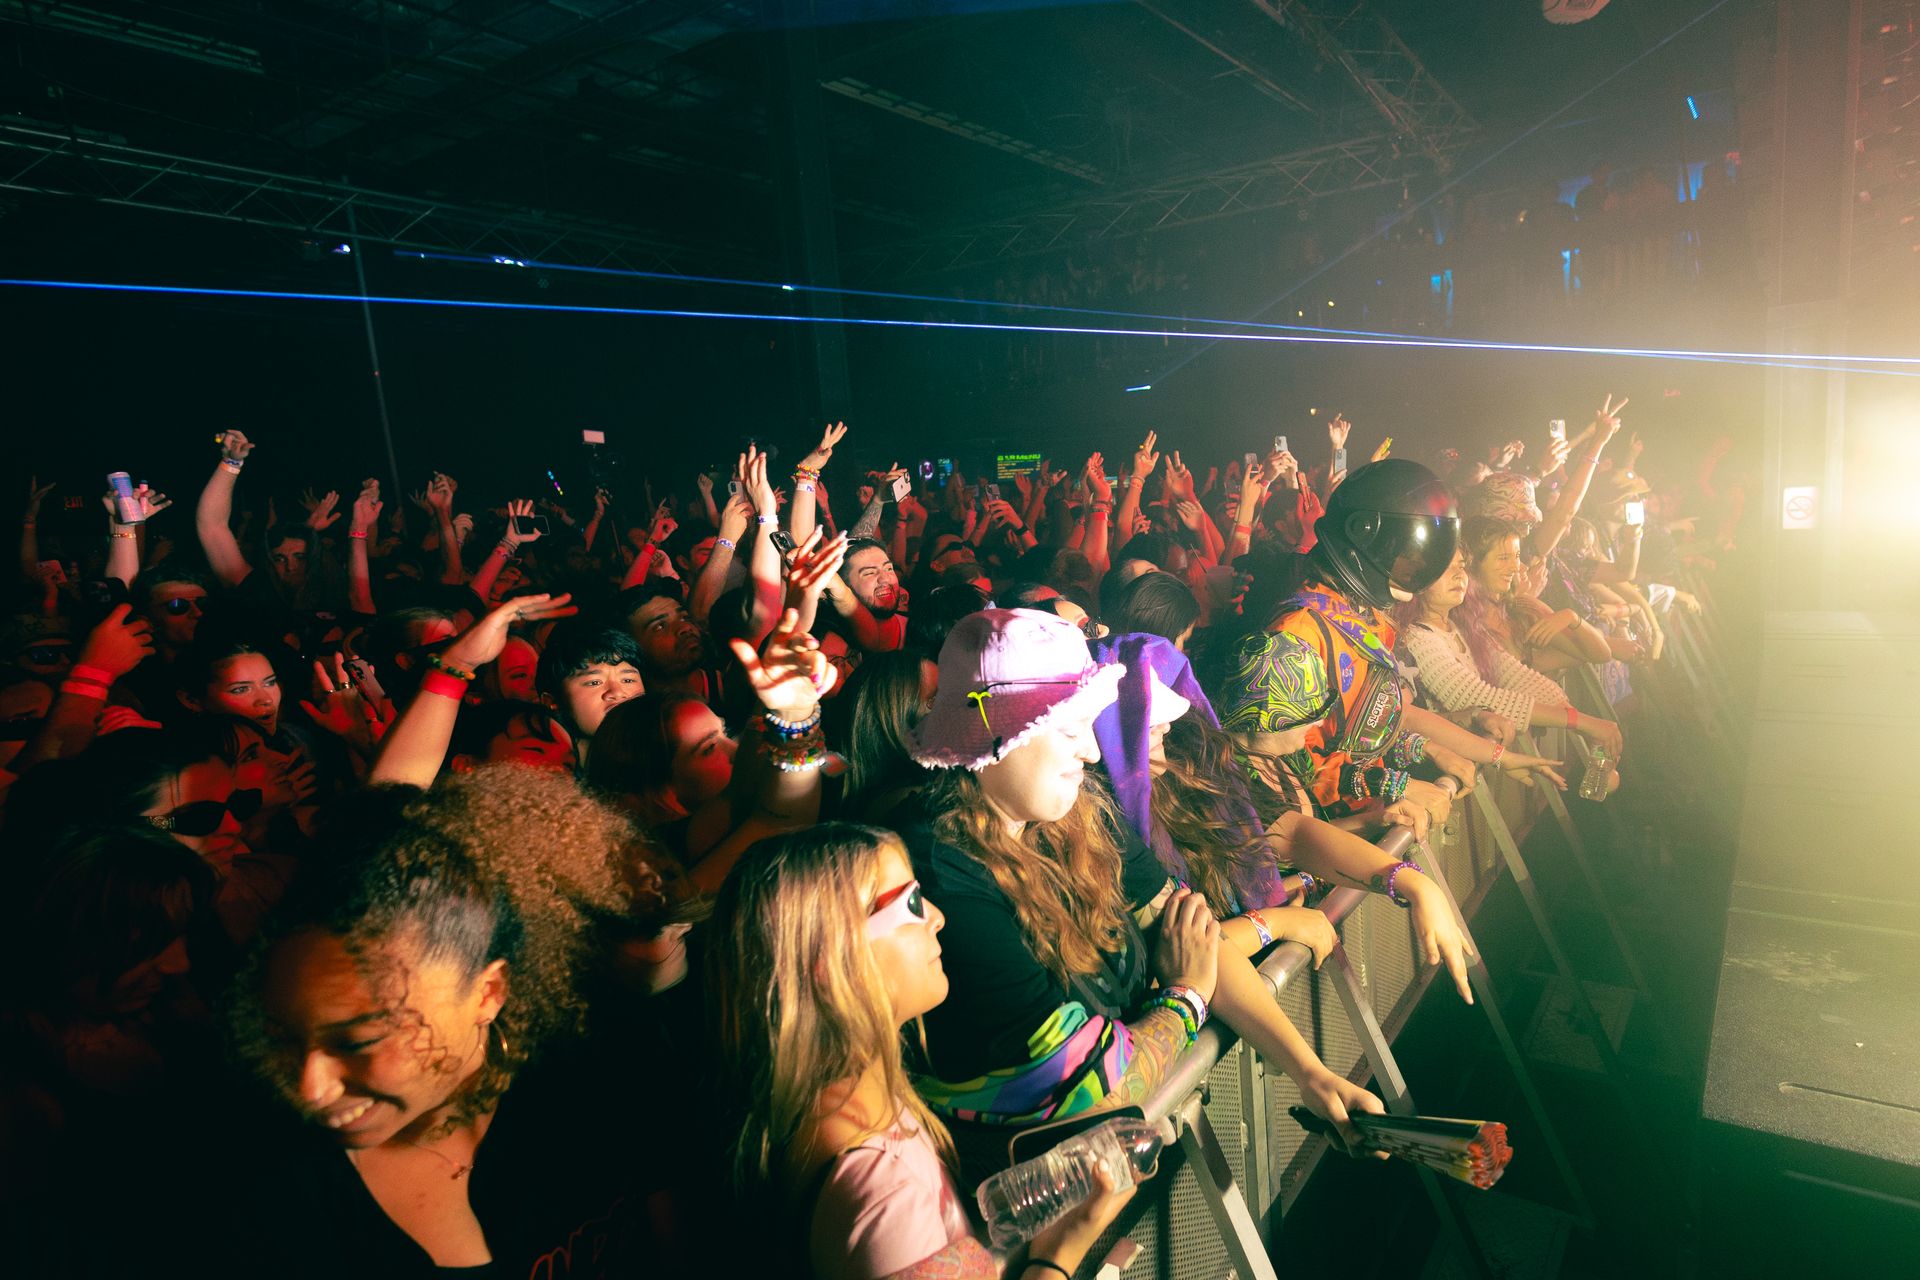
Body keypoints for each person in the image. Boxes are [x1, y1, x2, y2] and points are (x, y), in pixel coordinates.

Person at [895, 609, 1384, 1180]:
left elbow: (1195, 935)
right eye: (1072, 729)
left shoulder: (1081, 817)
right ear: (999, 733)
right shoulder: (941, 874)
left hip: (1128, 1159)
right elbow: (1084, 1087)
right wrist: (1186, 999)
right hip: (1038, 1204)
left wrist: (1311, 1073)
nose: (1093, 753)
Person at [222, 768, 652, 1276]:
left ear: (488, 993)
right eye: (284, 1040)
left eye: (359, 1041)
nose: (309, 1088)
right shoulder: (267, 1188)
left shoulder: (601, 1076)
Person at [710, 822, 1136, 1280]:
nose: (937, 916)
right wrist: (1058, 1254)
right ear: (833, 962)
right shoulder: (881, 1196)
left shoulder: (836, 1115)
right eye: (910, 902)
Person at [1250, 458, 1556, 819]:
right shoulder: (1294, 635)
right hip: (1331, 839)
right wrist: (1395, 784)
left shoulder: (1369, 617)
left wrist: (1428, 749)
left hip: (1375, 820)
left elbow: (1366, 733)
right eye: (1406, 557)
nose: (1417, 570)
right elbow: (1288, 765)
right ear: (1365, 539)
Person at [1397, 545, 1624, 759]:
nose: (1458, 575)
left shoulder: (1461, 626)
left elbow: (1517, 676)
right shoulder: (1418, 638)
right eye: (1446, 568)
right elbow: (1479, 697)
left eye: (1461, 565)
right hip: (1453, 770)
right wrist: (1580, 722)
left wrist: (1583, 724)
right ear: (1416, 577)